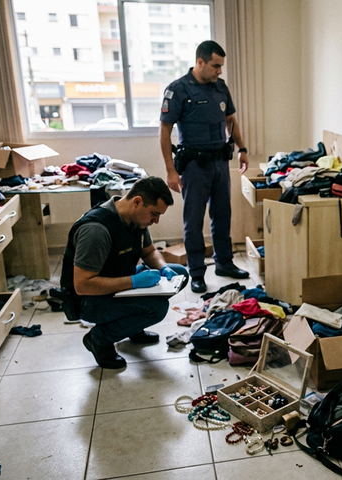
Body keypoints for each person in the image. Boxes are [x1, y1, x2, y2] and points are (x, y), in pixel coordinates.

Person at [60, 177, 188, 369]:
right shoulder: (96, 230)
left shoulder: (135, 220)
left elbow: (150, 251)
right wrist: (134, 281)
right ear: (137, 202)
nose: (156, 221)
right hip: (89, 299)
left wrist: (164, 268)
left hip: (117, 283)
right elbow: (83, 285)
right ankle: (98, 339)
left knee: (180, 273)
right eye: (154, 214)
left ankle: (132, 326)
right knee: (157, 308)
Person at [159, 40, 249, 294]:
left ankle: (224, 263)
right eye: (215, 65)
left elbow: (230, 120)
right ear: (200, 62)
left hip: (220, 163)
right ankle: (196, 272)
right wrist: (170, 171)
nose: (220, 71)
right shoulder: (178, 90)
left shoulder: (220, 88)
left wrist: (242, 149)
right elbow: (165, 130)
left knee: (222, 216)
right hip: (194, 167)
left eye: (221, 66)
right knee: (194, 220)